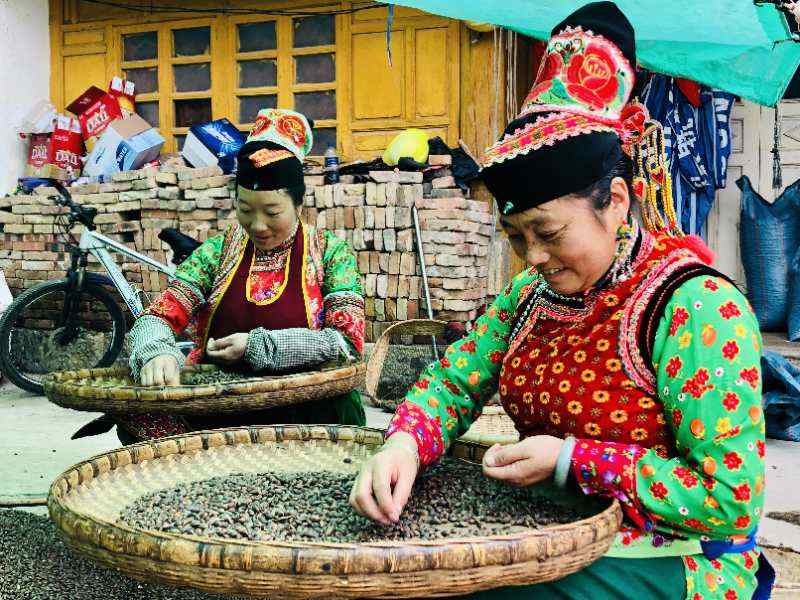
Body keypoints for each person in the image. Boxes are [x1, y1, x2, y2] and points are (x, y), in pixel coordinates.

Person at [350, 4, 771, 599]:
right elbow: (457, 381)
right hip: (545, 530)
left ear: (617, 201)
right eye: (517, 239)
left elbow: (728, 501)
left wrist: (572, 460)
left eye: (548, 234)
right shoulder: (529, 297)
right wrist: (404, 442)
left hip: (671, 553)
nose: (534, 259)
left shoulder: (696, 308)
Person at [117, 108, 366, 441]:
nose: (258, 226)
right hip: (223, 404)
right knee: (138, 418)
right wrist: (157, 352)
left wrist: (259, 347)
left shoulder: (331, 253)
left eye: (272, 212)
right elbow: (156, 317)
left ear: (299, 204)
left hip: (305, 404)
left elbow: (346, 344)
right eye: (246, 211)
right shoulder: (217, 253)